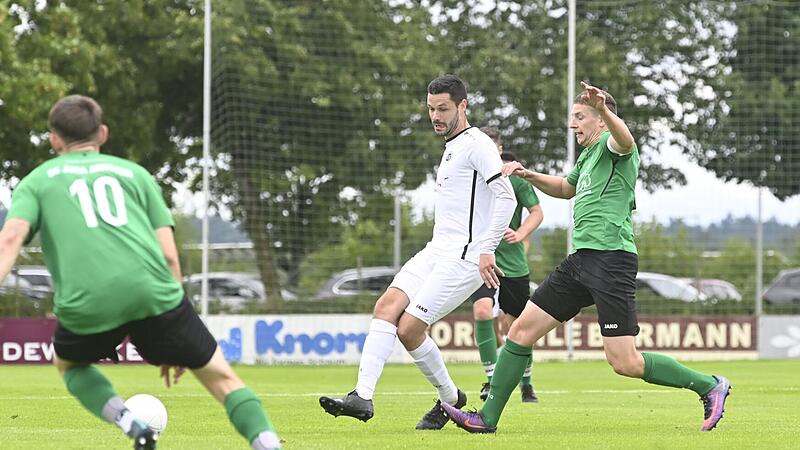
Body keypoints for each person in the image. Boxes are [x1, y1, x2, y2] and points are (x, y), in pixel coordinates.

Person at [442, 81, 731, 433]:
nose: (572, 124)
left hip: (612, 261)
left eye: (579, 117)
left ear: (599, 119)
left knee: (625, 362)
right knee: (520, 331)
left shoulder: (614, 147)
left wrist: (607, 112)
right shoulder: (587, 155)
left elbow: (626, 140)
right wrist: (527, 174)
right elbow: (566, 189)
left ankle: (708, 385)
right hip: (580, 261)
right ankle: (485, 418)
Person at [0, 95, 281, 450]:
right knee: (223, 380)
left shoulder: (36, 181)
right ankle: (269, 444)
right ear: (102, 133)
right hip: (155, 294)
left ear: (54, 139)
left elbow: (10, 240)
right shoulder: (135, 175)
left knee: (69, 365)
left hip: (89, 303)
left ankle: (129, 421)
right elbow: (169, 255)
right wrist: (175, 329)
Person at [318, 74, 517, 430]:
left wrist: (487, 248)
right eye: (430, 109)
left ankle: (450, 399)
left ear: (462, 106)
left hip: (465, 257)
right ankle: (362, 395)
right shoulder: (451, 146)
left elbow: (507, 197)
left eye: (443, 109)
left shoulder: (478, 144)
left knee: (409, 328)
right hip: (436, 249)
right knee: (386, 308)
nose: (436, 116)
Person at [468, 128, 543, 403]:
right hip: (480, 260)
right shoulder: (470, 179)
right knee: (482, 311)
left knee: (519, 326)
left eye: (492, 145)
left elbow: (537, 212)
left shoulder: (515, 180)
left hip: (512, 263)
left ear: (499, 149)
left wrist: (521, 234)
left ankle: (527, 383)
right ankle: (490, 380)